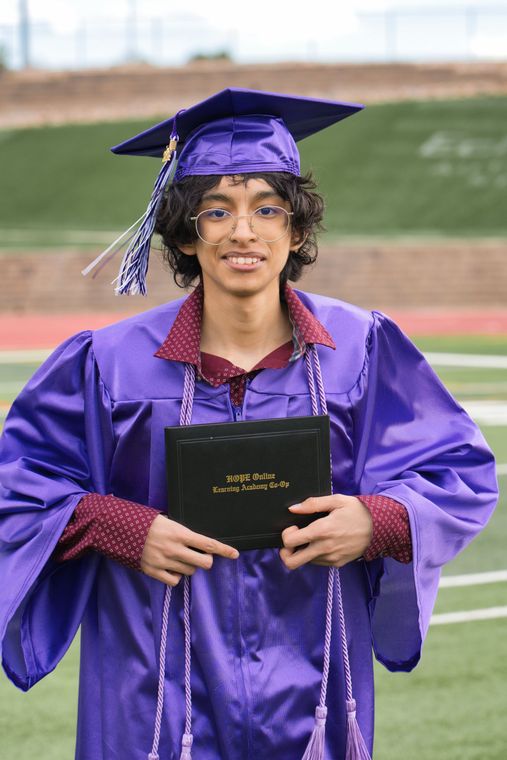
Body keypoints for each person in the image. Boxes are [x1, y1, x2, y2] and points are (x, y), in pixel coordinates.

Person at [0, 89, 498, 760]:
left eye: (268, 209)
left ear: (295, 232)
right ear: (183, 232)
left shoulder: (361, 349)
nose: (243, 231)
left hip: (314, 687)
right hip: (152, 692)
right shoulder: (106, 365)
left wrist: (375, 520)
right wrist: (116, 525)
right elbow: (17, 484)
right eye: (216, 211)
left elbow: (457, 472)